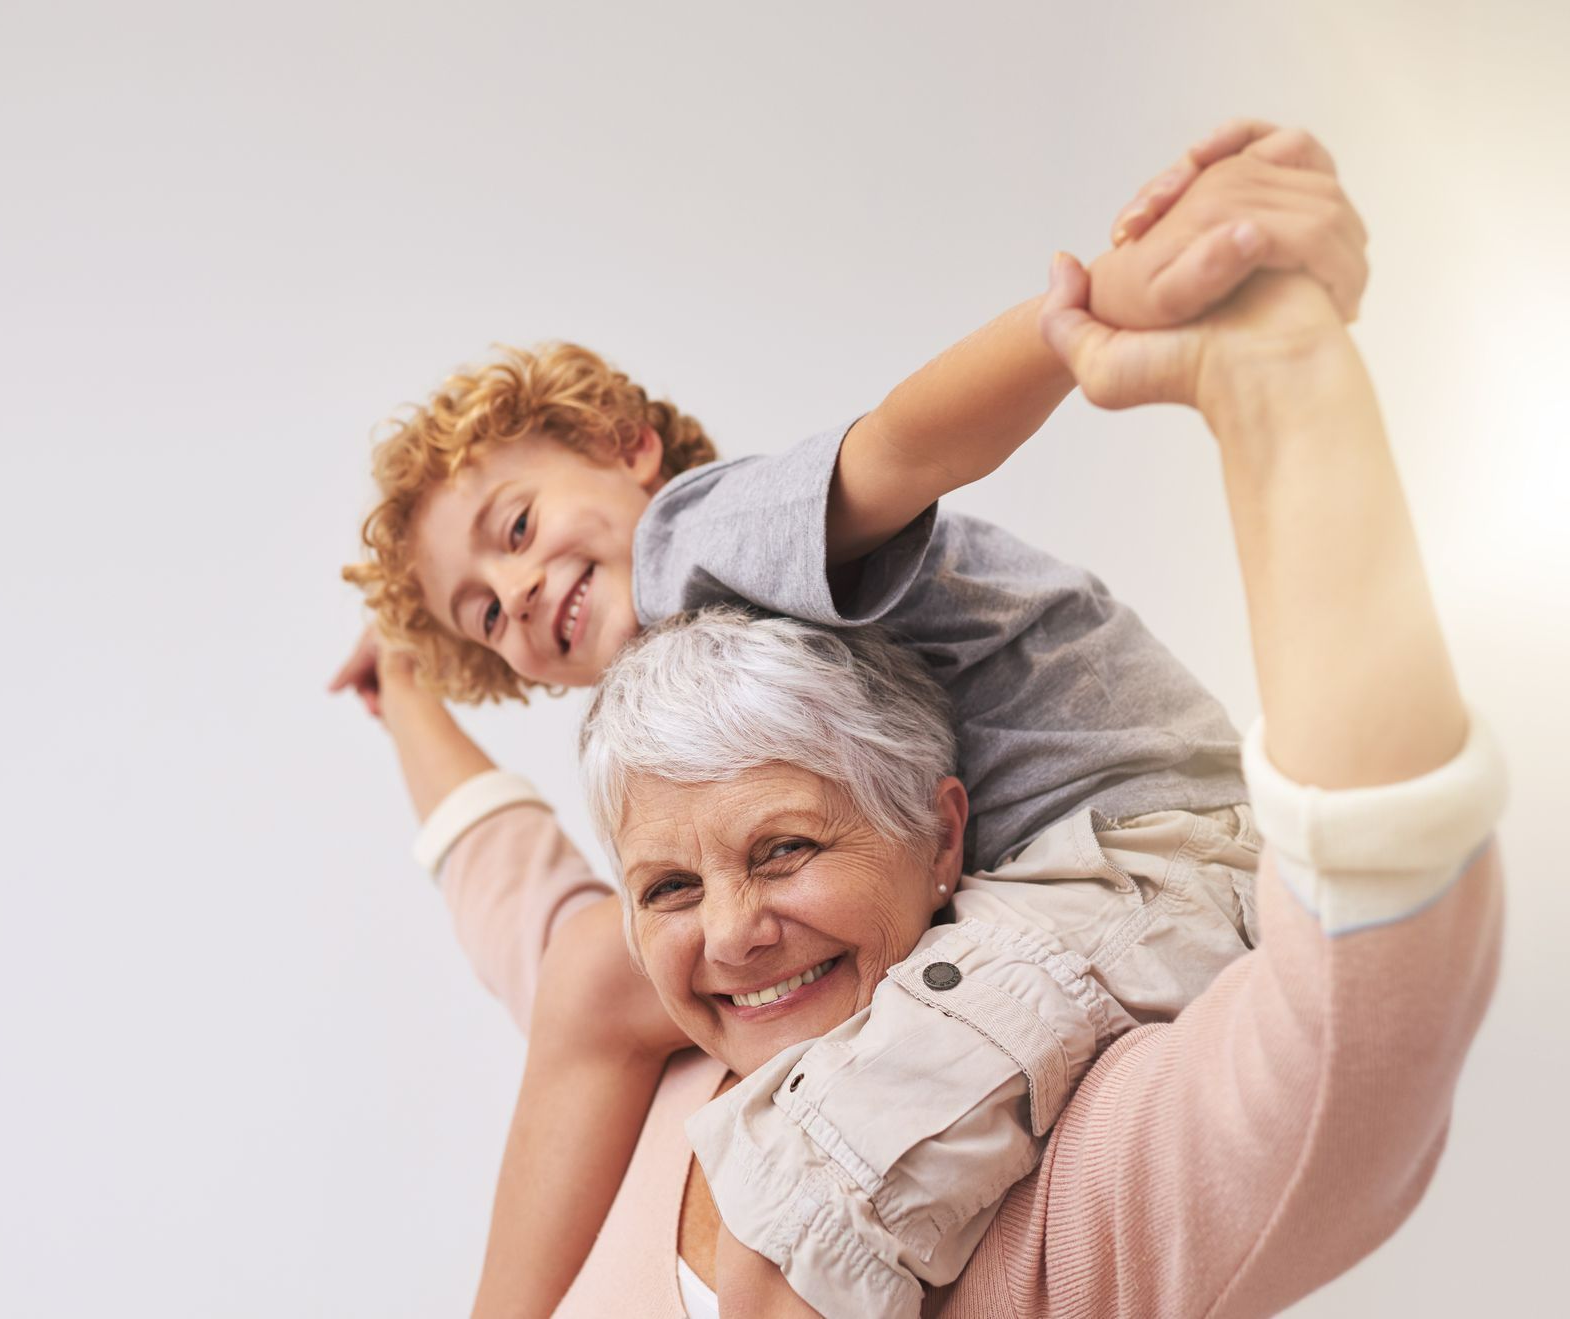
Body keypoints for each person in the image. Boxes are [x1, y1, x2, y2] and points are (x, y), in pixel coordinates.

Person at [333, 122, 1372, 1316]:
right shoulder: (691, 716)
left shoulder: (701, 540)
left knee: (778, 1199)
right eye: (483, 616)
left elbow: (902, 442)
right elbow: (505, 884)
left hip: (1137, 851)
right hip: (1063, 869)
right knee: (591, 976)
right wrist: (406, 685)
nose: (515, 594)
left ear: (630, 450)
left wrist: (1093, 314)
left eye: (515, 529)